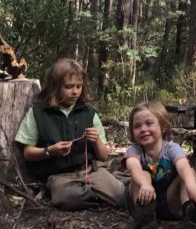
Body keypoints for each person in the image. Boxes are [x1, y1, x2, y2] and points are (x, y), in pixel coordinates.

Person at [14, 59, 124, 210]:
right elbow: (27, 153)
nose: (75, 92)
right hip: (59, 176)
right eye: (69, 87)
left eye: (79, 86)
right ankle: (98, 193)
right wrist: (50, 151)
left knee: (120, 195)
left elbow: (104, 156)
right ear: (55, 87)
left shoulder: (89, 113)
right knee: (67, 198)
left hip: (91, 170)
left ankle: (102, 189)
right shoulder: (38, 112)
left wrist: (97, 141)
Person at [122, 101, 196, 229]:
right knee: (142, 175)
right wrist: (145, 184)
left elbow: (183, 167)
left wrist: (192, 187)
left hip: (169, 202)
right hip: (143, 201)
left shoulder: (171, 148)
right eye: (137, 126)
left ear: (162, 127)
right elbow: (134, 169)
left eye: (149, 123)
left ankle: (190, 211)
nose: (143, 129)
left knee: (189, 172)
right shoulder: (134, 151)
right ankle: (145, 220)